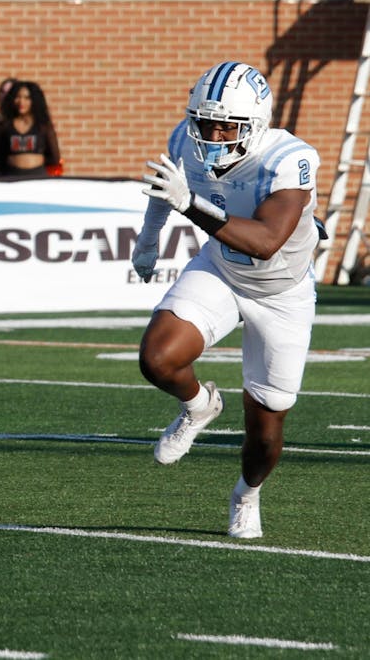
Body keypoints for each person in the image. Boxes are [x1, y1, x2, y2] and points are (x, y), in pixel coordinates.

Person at [132, 61, 321, 539]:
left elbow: (263, 241)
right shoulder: (185, 138)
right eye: (205, 122)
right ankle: (198, 405)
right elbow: (166, 189)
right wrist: (148, 240)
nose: (213, 135)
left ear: (256, 125)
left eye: (227, 125)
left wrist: (189, 204)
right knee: (158, 359)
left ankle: (247, 493)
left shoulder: (289, 159)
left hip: (282, 292)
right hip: (220, 269)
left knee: (265, 431)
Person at [0, 80, 61, 178]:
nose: (21, 102)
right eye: (17, 97)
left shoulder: (43, 125)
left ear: (34, 100)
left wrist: (35, 162)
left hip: (37, 177)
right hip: (11, 176)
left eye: (27, 98)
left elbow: (55, 157)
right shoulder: (4, 125)